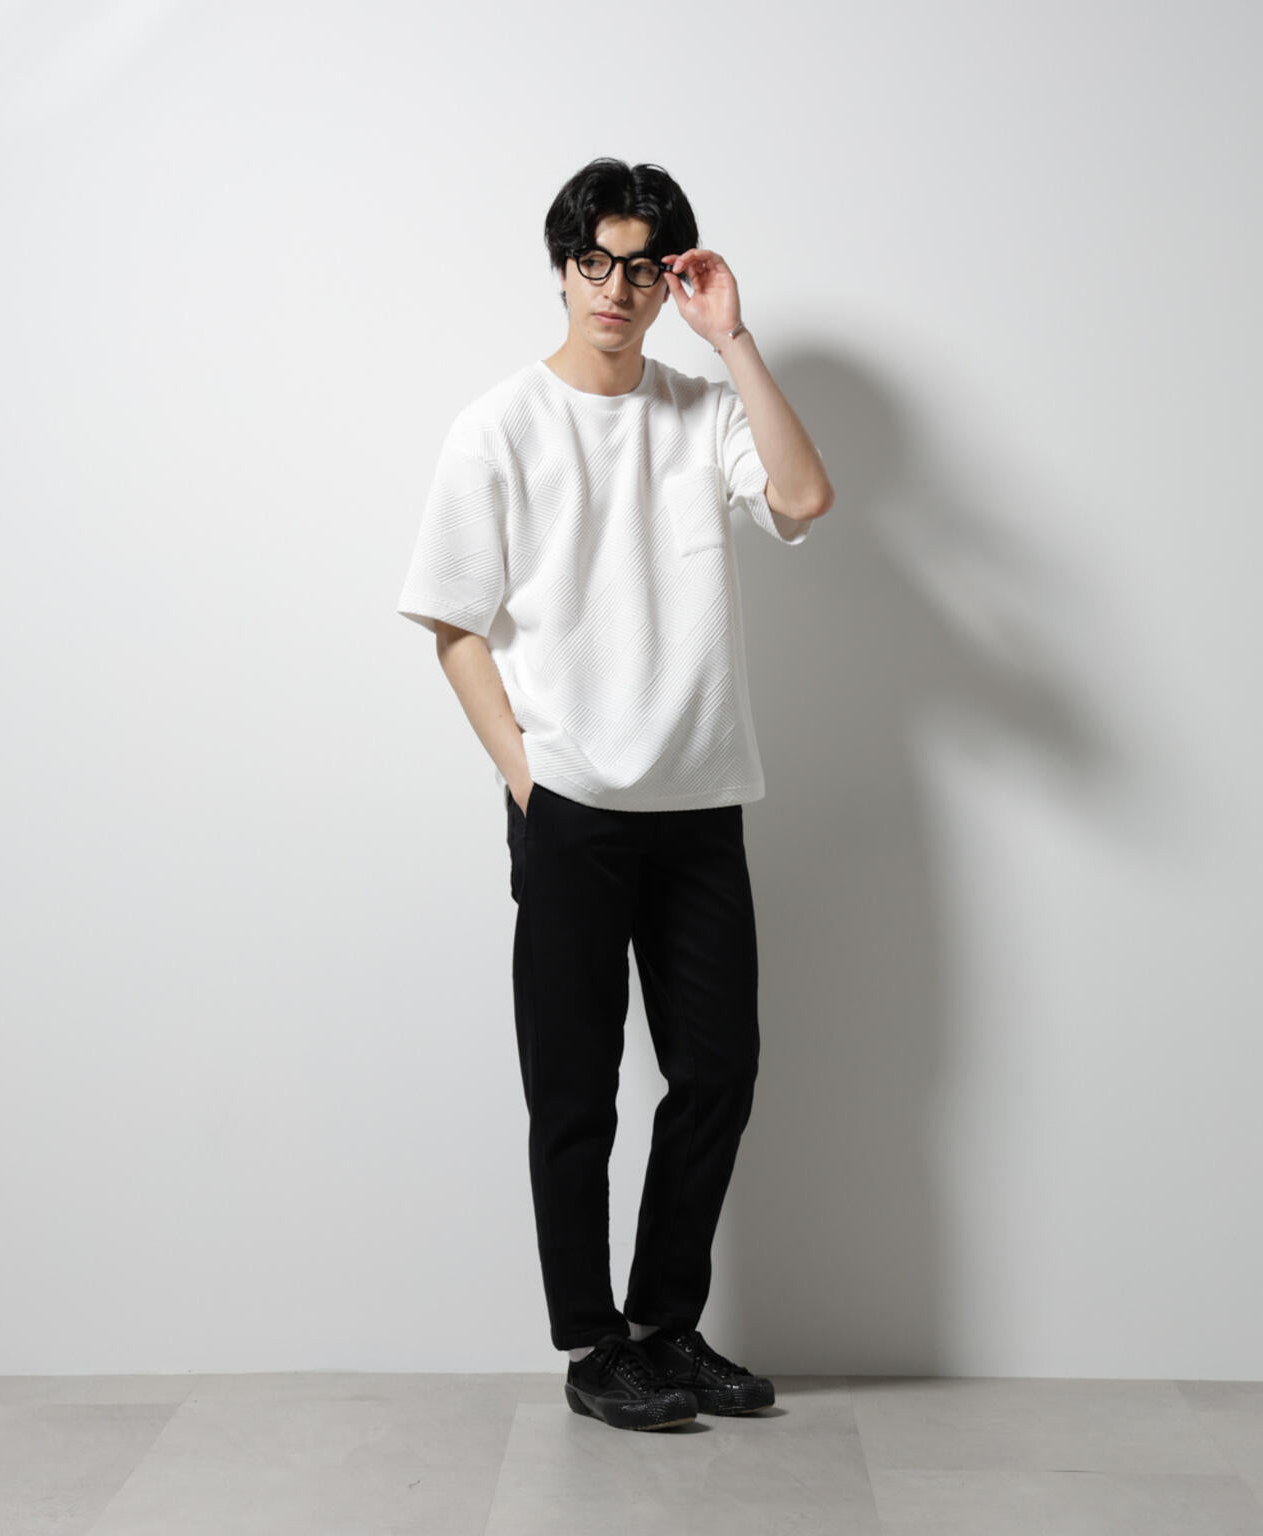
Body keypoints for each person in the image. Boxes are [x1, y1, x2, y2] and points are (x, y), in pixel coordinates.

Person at [396, 157, 832, 1431]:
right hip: (573, 805)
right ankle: (595, 1350)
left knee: (717, 1070)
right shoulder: (497, 428)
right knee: (574, 1088)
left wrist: (730, 335)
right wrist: (527, 779)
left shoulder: (702, 412)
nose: (615, 289)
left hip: (698, 803)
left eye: (642, 269)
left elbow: (801, 498)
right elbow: (452, 624)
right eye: (594, 262)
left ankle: (663, 1326)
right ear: (562, 267)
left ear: (667, 279)